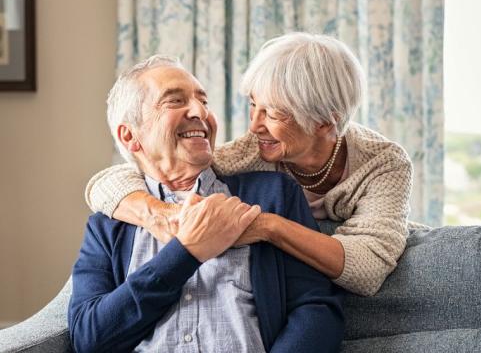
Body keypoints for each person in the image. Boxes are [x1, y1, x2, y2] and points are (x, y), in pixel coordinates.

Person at [86, 32, 413, 297]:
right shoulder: (251, 151)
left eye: (272, 113)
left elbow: (367, 270)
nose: (254, 126)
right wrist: (160, 214)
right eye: (253, 106)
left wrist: (267, 227)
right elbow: (111, 181)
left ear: (325, 123)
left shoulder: (383, 163)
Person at [68, 56, 345, 353]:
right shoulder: (108, 225)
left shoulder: (271, 195)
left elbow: (317, 310)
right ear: (130, 135)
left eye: (204, 101)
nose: (200, 112)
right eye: (175, 101)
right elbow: (89, 338)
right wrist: (185, 252)